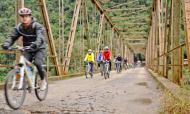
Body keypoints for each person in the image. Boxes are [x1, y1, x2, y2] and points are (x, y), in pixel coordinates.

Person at [1, 8, 47, 90]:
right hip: (27, 48)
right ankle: (27, 81)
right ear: (20, 17)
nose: (24, 18)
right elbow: (11, 37)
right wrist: (6, 45)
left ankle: (43, 80)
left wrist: (36, 44)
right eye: (22, 16)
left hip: (39, 48)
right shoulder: (19, 28)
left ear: (30, 17)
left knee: (37, 63)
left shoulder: (37, 26)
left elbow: (40, 37)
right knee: (22, 64)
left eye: (26, 16)